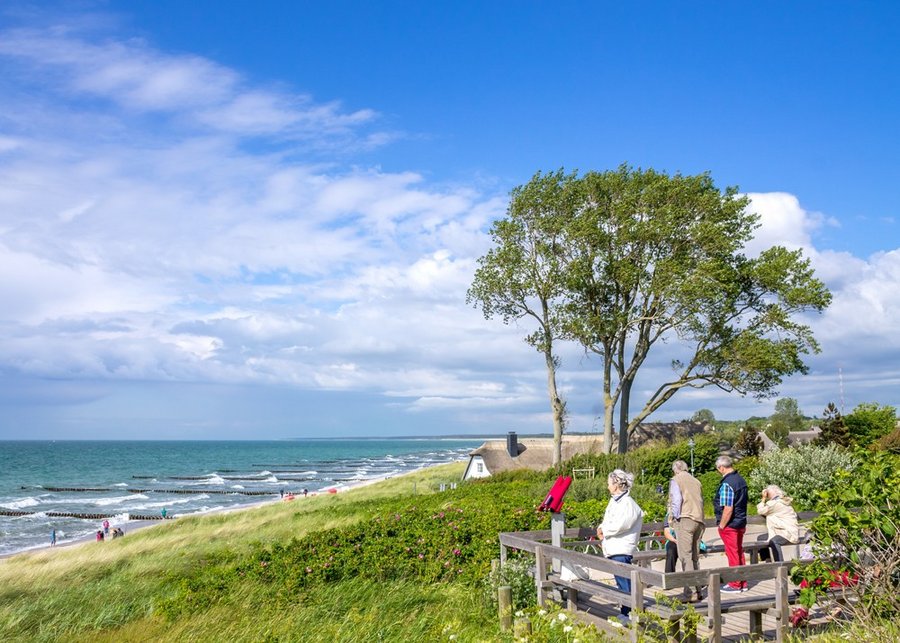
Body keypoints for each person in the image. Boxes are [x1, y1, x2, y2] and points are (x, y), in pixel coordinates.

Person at [596, 469, 644, 625]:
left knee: (624, 583)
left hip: (622, 549)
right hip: (614, 548)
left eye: (609, 482)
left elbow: (622, 524)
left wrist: (604, 530)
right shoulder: (615, 500)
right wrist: (601, 527)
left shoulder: (629, 503)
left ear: (616, 484)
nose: (607, 485)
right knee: (621, 582)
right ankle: (625, 613)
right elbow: (608, 519)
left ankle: (629, 614)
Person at [668, 459, 706, 602]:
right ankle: (698, 590)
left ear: (675, 469)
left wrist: (673, 519)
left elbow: (676, 501)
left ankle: (689, 593)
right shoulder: (696, 481)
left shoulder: (676, 480)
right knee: (695, 557)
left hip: (685, 519)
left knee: (685, 556)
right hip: (699, 520)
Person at [713, 455, 749, 592]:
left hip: (731, 524)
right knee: (739, 552)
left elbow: (728, 509)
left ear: (722, 467)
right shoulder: (741, 480)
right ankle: (742, 582)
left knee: (732, 553)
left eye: (718, 469)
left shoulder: (727, 483)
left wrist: (722, 525)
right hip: (741, 522)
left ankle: (735, 584)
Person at [757, 484, 799, 562]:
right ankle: (767, 561)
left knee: (774, 541)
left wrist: (763, 498)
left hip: (787, 533)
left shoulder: (774, 504)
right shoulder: (784, 501)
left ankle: (780, 565)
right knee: (761, 538)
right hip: (785, 531)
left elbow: (760, 511)